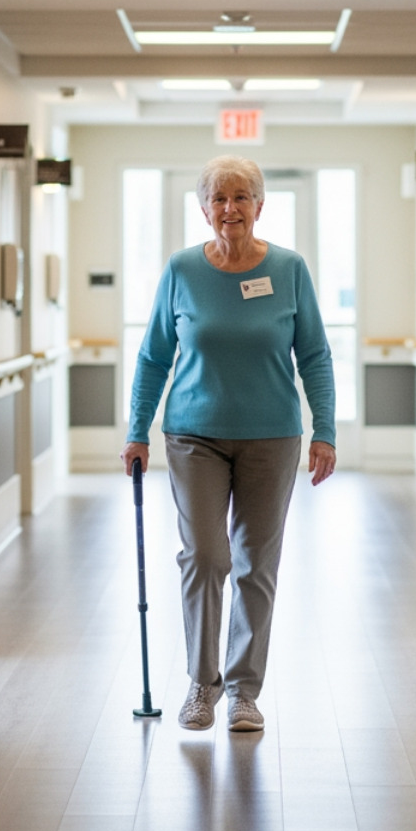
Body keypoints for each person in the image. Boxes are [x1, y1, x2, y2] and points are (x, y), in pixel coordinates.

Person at [120, 155, 337, 733]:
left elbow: (314, 354)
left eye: (241, 197)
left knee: (256, 564)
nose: (230, 208)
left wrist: (326, 431)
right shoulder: (183, 270)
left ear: (260, 207)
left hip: (272, 435)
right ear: (203, 209)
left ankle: (244, 691)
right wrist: (137, 429)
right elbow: (153, 357)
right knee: (206, 556)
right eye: (218, 198)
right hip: (194, 434)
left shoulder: (289, 270)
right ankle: (200, 683)